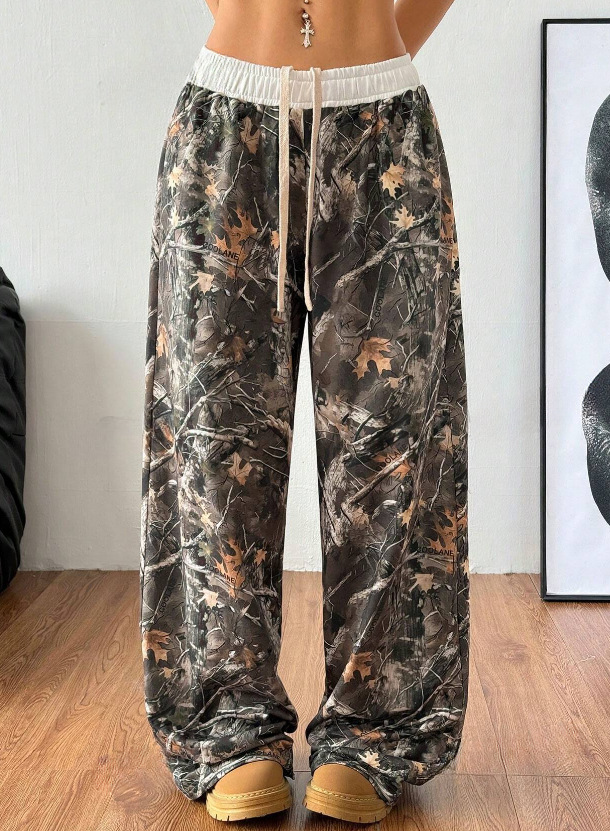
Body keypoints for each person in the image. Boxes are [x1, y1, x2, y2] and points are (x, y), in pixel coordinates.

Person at [140, 0, 468, 823]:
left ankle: (373, 723)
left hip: (384, 124)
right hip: (226, 121)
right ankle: (231, 719)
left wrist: (370, 51)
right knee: (212, 439)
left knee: (392, 446)